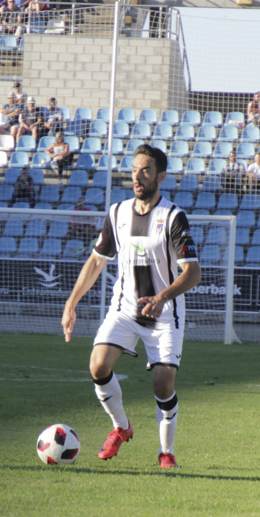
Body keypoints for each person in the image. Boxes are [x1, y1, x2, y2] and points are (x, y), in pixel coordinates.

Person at [61, 144, 201, 469]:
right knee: (98, 365)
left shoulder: (173, 217)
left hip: (164, 314)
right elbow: (96, 262)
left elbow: (193, 273)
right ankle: (121, 428)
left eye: (146, 170)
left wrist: (162, 297)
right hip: (124, 309)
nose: (137, 176)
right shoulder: (117, 213)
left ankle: (166, 453)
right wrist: (71, 303)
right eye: (135, 169)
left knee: (162, 384)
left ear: (161, 177)